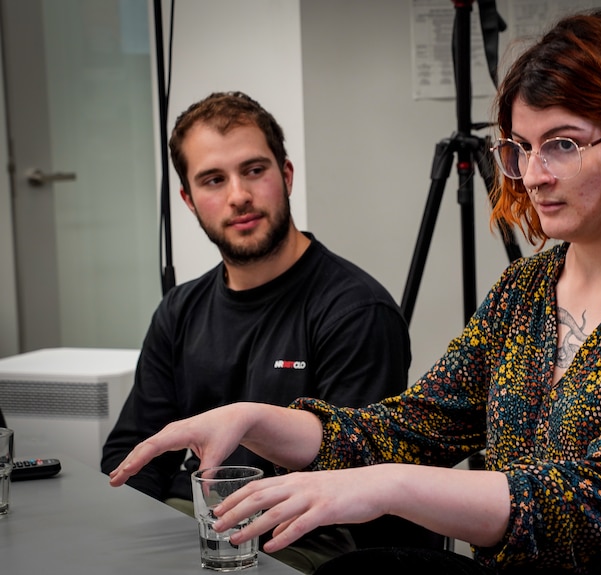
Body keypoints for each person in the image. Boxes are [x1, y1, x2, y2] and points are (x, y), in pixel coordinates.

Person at [109, 10, 601, 575]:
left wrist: (387, 486)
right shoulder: (525, 288)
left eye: (562, 144)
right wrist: (259, 420)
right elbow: (413, 425)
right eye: (520, 148)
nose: (533, 175)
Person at [100, 91, 434, 572]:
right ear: (189, 200)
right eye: (214, 180)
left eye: (254, 170)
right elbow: (133, 457)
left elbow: (356, 477)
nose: (238, 195)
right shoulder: (179, 310)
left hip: (301, 540)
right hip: (188, 526)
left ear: (287, 175)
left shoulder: (357, 310)